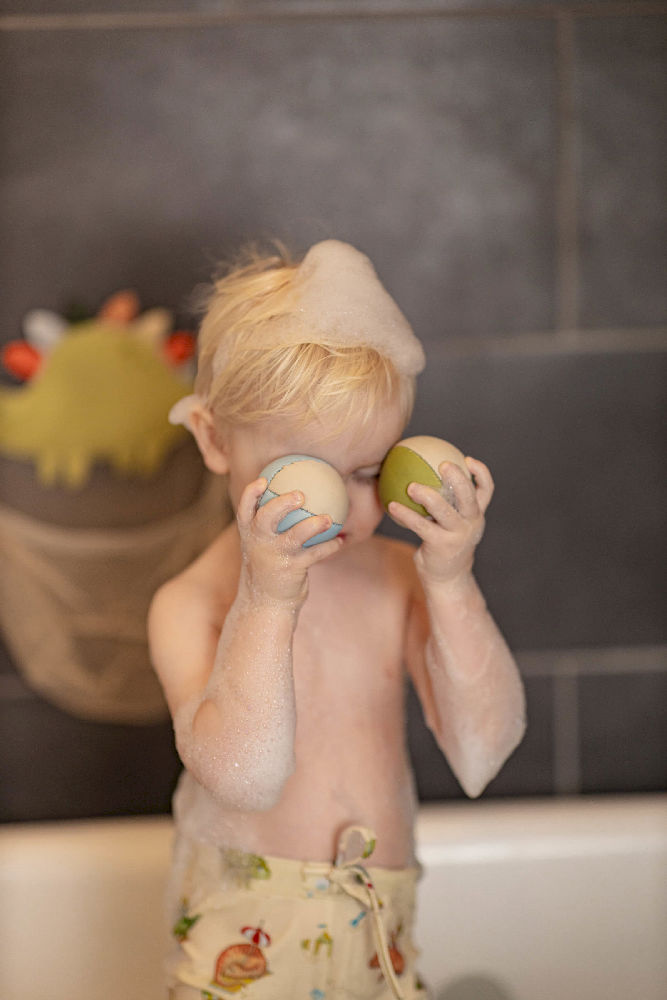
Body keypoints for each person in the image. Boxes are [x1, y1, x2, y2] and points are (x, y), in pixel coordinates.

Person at [148, 239, 526, 1000]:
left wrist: (450, 580)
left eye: (368, 472)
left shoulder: (393, 579)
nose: (347, 510)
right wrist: (268, 597)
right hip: (241, 938)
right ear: (215, 439)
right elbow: (244, 778)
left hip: (379, 936)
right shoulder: (189, 604)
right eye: (306, 474)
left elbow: (485, 745)